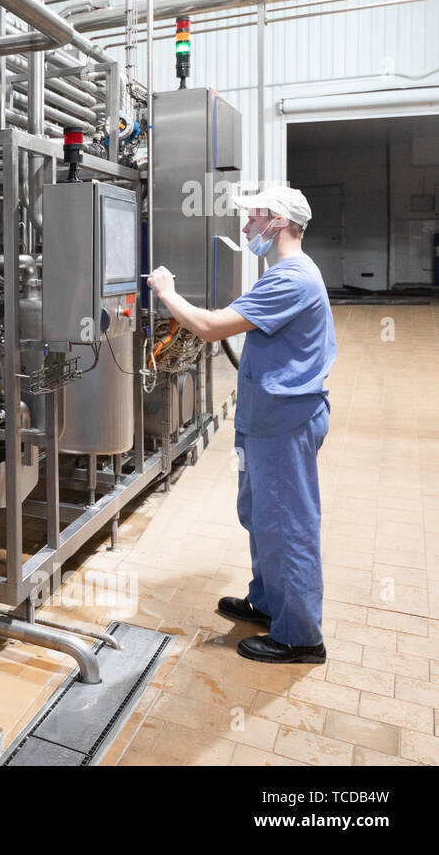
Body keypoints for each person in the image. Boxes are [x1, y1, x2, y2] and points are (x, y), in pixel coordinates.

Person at [146, 186, 337, 664]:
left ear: (277, 220)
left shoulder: (292, 278)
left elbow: (211, 327)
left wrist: (167, 292)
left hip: (285, 422)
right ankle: (270, 603)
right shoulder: (279, 273)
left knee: (287, 522)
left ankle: (299, 637)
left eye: (253, 217)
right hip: (265, 418)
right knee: (261, 515)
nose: (247, 226)